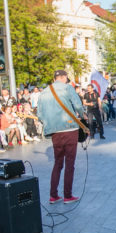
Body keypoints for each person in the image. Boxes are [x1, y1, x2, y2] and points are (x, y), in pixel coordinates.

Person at [37, 69, 86, 204]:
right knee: (70, 163)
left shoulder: (44, 92)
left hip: (54, 132)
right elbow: (78, 105)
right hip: (69, 129)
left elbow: (40, 115)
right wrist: (83, 116)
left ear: (54, 79)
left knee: (58, 163)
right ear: (64, 78)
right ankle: (68, 195)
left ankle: (53, 195)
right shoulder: (67, 88)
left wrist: (50, 124)